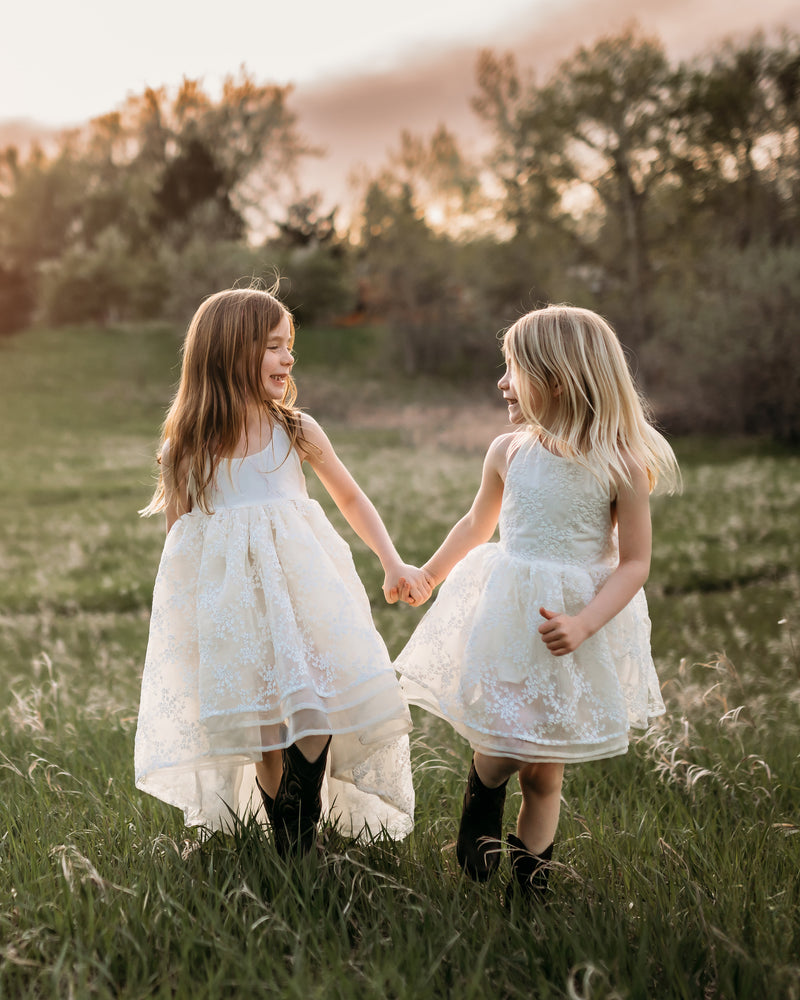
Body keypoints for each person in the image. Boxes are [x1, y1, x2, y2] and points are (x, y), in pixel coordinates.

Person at [395, 304, 679, 903]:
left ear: (560, 375)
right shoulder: (508, 451)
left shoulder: (622, 463)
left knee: (545, 772)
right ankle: (482, 785)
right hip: (510, 615)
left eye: (513, 369)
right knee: (502, 746)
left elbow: (634, 564)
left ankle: (531, 892)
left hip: (574, 626)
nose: (502, 383)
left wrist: (585, 623)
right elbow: (477, 524)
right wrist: (428, 573)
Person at [135, 287, 430, 856]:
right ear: (229, 353)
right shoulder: (187, 446)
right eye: (274, 347)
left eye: (288, 346)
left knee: (314, 708)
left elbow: (349, 495)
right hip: (234, 612)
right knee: (267, 733)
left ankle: (303, 802)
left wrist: (392, 561)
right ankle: (292, 845)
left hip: (303, 596)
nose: (288, 359)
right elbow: (180, 542)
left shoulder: (294, 429)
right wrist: (187, 626)